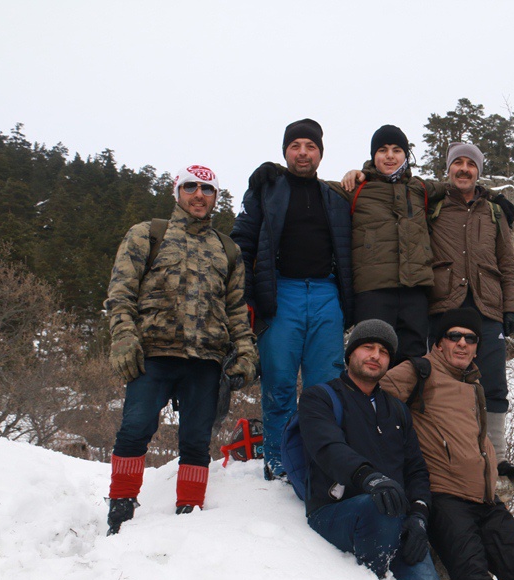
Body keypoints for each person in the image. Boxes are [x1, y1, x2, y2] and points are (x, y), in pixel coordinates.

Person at [104, 164, 257, 534]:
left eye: (207, 189)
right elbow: (121, 292)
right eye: (191, 187)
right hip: (153, 353)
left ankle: (189, 518)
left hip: (206, 360)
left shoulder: (228, 249)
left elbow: (237, 310)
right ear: (177, 192)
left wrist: (246, 352)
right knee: (135, 430)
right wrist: (123, 337)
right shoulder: (147, 234)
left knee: (196, 442)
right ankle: (119, 513)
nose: (199, 195)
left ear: (215, 197)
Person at [381, 308, 514, 580]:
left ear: (477, 347)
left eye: (470, 338)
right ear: (439, 343)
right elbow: (371, 396)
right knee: (473, 576)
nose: (462, 343)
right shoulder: (419, 371)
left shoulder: (474, 383)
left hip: (486, 497)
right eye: (454, 336)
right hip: (445, 495)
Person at [231, 118, 354, 480]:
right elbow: (242, 242)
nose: (303, 153)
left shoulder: (334, 197)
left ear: (320, 153)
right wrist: (246, 296)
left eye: (310, 146)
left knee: (325, 388)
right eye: (295, 146)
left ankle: (319, 461)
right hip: (280, 293)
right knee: (279, 382)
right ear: (285, 151)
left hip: (326, 293)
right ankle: (279, 460)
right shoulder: (266, 189)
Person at [297, 320, 450, 580]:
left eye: (384, 351)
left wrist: (418, 516)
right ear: (350, 354)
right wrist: (370, 479)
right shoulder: (320, 398)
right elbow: (328, 448)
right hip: (337, 511)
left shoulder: (397, 409)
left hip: (395, 516)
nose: (375, 355)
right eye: (367, 347)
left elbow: (416, 469)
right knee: (380, 507)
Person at [427, 142, 514, 465]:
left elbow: (507, 263)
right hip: (444, 307)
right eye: (458, 163)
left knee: (493, 383)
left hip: (487, 308)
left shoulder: (494, 212)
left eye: (471, 164)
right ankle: (446, 456)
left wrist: (511, 308)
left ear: (478, 171)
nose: (464, 169)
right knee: (443, 383)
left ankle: (497, 458)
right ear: (449, 168)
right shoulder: (433, 207)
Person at [333, 125, 448, 364]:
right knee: (372, 361)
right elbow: (312, 185)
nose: (389, 156)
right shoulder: (356, 189)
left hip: (415, 291)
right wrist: (275, 170)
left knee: (414, 362)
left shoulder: (419, 189)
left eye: (396, 150)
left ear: (406, 155)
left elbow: (457, 188)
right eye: (382, 150)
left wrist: (493, 196)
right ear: (373, 155)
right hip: (372, 292)